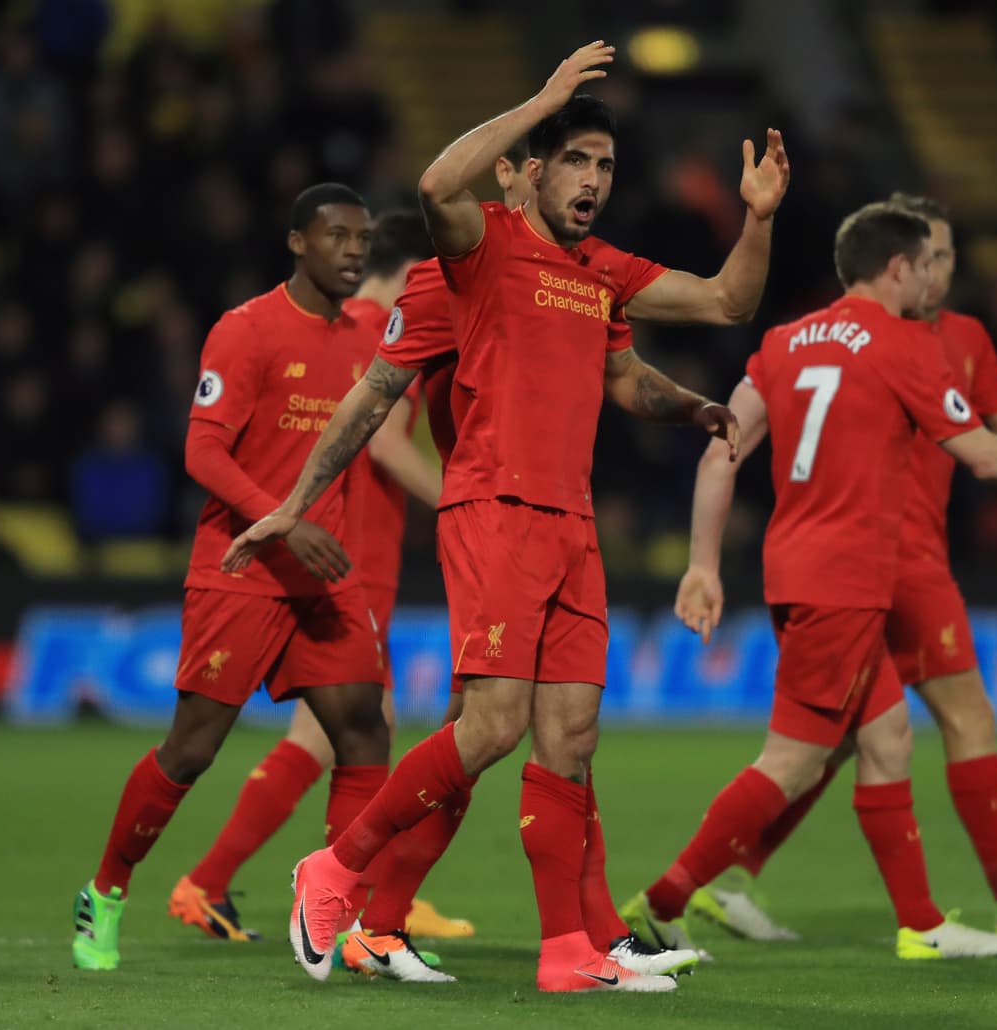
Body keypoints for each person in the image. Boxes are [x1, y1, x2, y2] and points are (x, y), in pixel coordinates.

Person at [223, 41, 790, 992]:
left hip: (571, 524)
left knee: (569, 740)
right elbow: (384, 350)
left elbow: (725, 303)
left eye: (607, 166)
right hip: (492, 509)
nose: (596, 181)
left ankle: (569, 952)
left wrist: (758, 220)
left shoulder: (599, 270)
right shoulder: (476, 250)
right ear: (528, 169)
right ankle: (337, 869)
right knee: (487, 730)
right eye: (578, 160)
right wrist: (291, 504)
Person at [618, 202, 997, 960]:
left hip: (795, 567)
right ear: (897, 268)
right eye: (927, 266)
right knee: (793, 759)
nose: (933, 280)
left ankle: (922, 925)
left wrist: (703, 564)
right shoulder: (903, 344)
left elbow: (722, 448)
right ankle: (662, 901)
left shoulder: (785, 339)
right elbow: (984, 453)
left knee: (886, 739)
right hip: (845, 577)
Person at [71, 183, 395, 972]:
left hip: (325, 576)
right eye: (337, 236)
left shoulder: (373, 335)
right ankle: (106, 890)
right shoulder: (245, 330)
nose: (354, 249)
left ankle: (336, 913)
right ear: (297, 243)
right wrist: (285, 518)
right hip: (244, 568)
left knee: (364, 730)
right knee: (192, 749)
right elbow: (202, 452)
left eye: (363, 239)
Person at [165, 209, 472, 954]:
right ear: (413, 276)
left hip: (346, 555)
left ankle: (223, 883)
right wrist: (467, 501)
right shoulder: (386, 332)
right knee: (367, 730)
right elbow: (390, 448)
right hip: (350, 560)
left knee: (332, 735)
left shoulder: (346, 322)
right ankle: (361, 902)